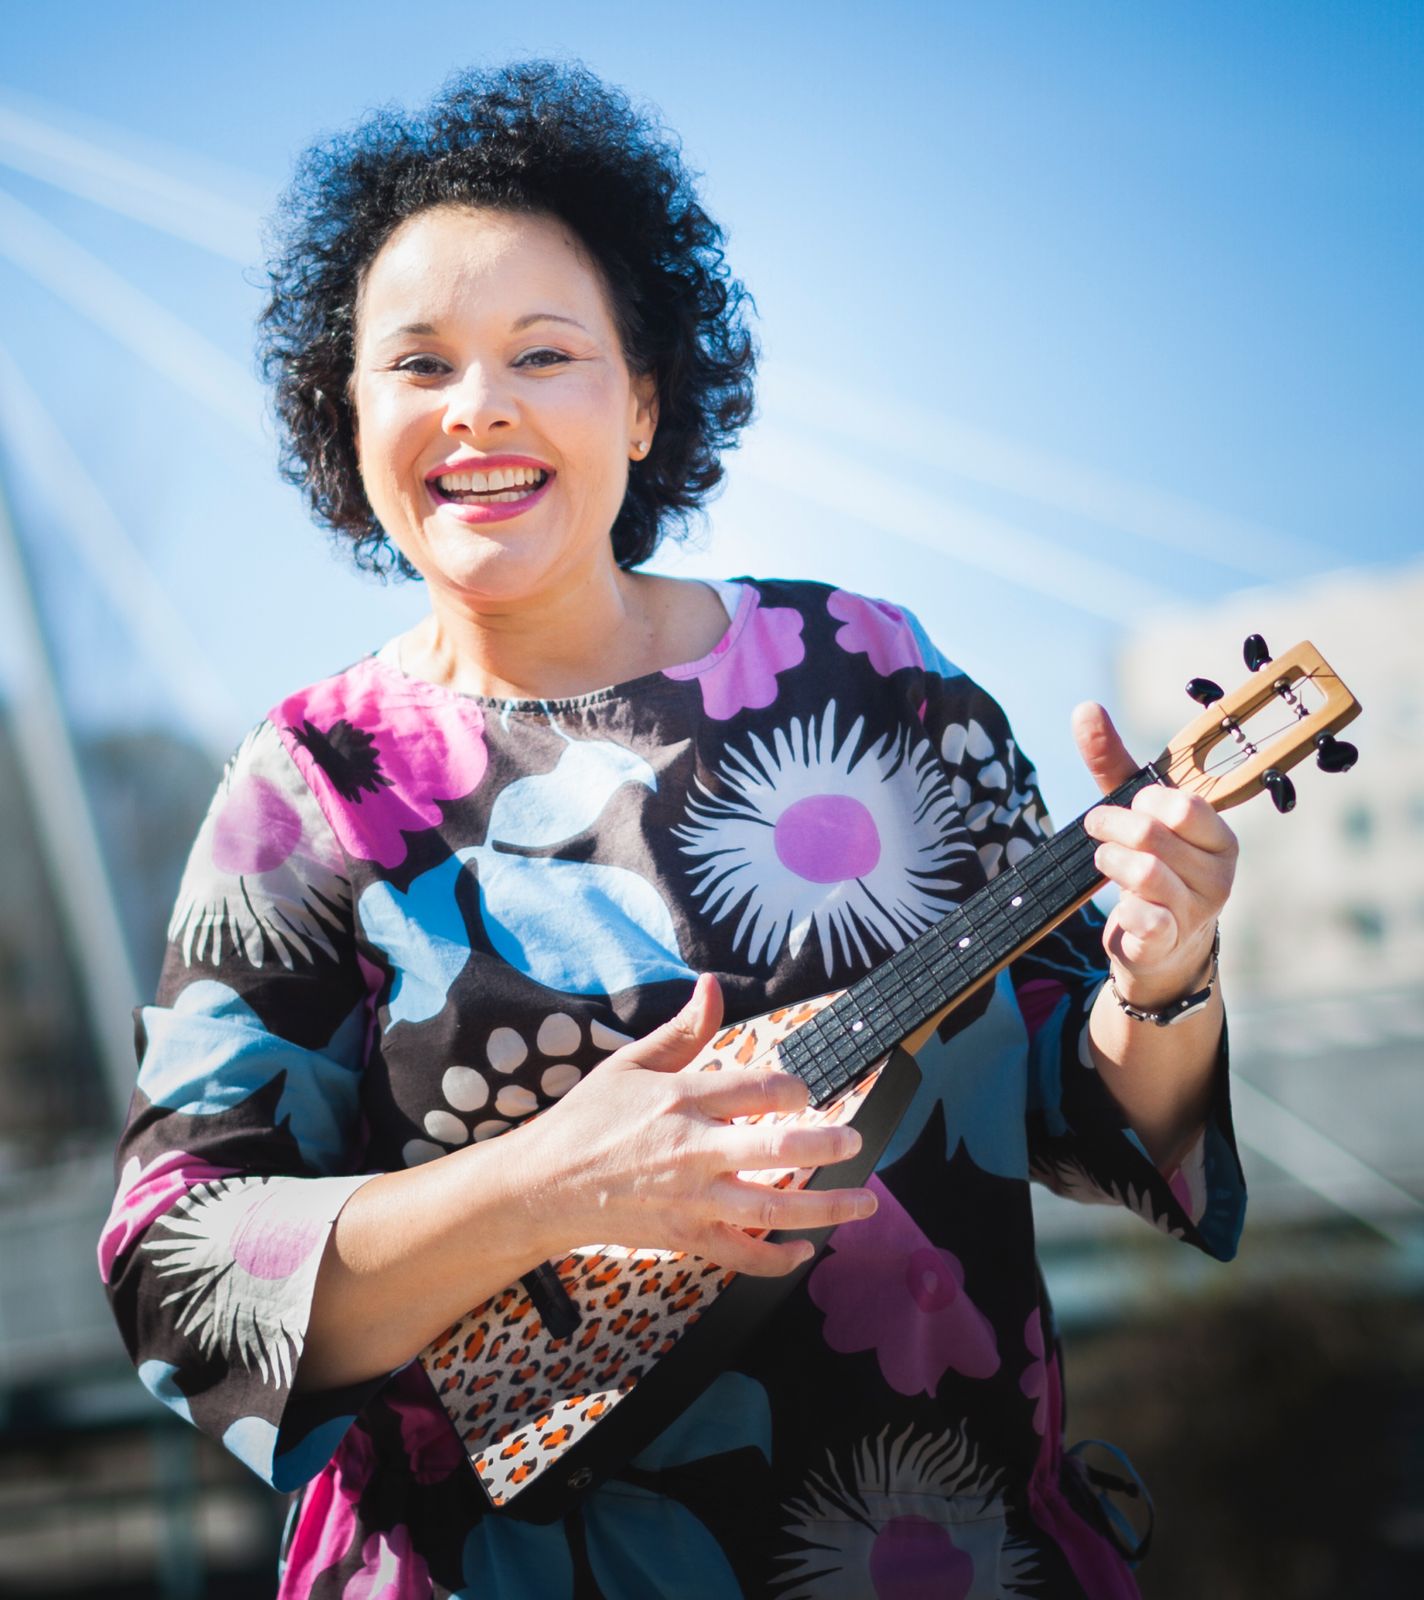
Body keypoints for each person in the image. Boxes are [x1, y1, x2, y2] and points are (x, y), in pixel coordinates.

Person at [99, 60, 1245, 1598]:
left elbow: (1083, 1104)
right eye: (419, 363)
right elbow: (180, 1275)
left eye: (544, 353)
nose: (479, 404)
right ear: (348, 416)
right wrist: (549, 1184)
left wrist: (1163, 976)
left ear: (643, 403)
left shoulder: (871, 673)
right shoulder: (313, 783)